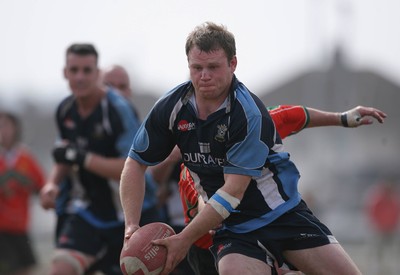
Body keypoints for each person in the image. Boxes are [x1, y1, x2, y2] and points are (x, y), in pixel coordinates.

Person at [120, 22, 365, 275]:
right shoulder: (171, 109)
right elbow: (135, 162)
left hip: (283, 215)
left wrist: (342, 118)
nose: (204, 76)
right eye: (197, 68)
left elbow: (232, 192)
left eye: (213, 67)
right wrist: (131, 227)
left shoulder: (248, 115)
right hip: (232, 230)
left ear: (232, 64)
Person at [177, 104, 386, 275]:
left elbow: (290, 116)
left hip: (275, 221)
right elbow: (205, 205)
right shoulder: (190, 168)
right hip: (212, 247)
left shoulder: (250, 124)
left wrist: (342, 117)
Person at [39, 43, 141, 275]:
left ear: (97, 74)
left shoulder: (118, 109)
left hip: (127, 216)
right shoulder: (64, 110)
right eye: (74, 70)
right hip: (85, 209)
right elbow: (63, 154)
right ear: (65, 73)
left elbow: (132, 167)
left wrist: (84, 158)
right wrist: (52, 184)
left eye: (87, 70)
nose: (80, 77)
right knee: (61, 268)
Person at [0, 111, 46, 275]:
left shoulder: (25, 158)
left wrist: (26, 182)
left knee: (25, 269)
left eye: (5, 125)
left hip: (20, 226)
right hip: (1, 229)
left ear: (15, 128)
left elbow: (42, 187)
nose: (2, 131)